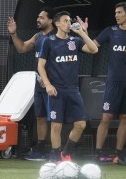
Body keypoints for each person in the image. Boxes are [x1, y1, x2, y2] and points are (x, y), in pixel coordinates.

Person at [37, 11, 98, 162]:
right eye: (65, 21)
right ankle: (57, 158)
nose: (68, 23)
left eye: (69, 21)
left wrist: (82, 33)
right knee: (56, 127)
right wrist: (48, 85)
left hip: (73, 90)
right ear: (57, 23)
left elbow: (94, 49)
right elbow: (41, 66)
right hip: (56, 90)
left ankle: (65, 153)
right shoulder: (49, 41)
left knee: (80, 125)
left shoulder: (75, 41)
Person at [92, 2, 126, 165]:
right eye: (115, 13)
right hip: (113, 82)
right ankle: (98, 154)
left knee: (125, 119)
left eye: (119, 12)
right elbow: (93, 45)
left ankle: (119, 154)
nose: (116, 15)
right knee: (106, 117)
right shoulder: (110, 31)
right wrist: (82, 32)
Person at [7, 7, 56, 161]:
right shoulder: (38, 36)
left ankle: (57, 151)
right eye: (37, 17)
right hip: (39, 85)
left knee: (56, 118)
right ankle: (40, 150)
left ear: (50, 20)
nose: (38, 19)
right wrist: (14, 33)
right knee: (40, 117)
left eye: (41, 17)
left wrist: (50, 81)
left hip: (54, 86)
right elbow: (21, 48)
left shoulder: (59, 36)